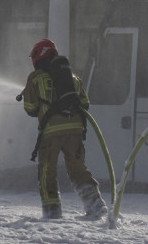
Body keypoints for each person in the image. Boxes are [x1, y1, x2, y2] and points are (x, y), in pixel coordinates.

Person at [20, 38, 108, 220]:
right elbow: (85, 103)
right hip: (75, 130)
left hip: (51, 132)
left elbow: (29, 108)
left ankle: (52, 212)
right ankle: (95, 205)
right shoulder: (73, 78)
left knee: (47, 172)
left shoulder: (36, 78)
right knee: (78, 169)